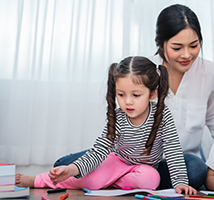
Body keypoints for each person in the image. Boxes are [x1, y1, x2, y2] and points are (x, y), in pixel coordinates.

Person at [53, 4, 214, 189]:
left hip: (169, 162)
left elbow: (212, 116)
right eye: (177, 47)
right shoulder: (144, 71)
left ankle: (118, 179)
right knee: (62, 167)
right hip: (125, 156)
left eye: (194, 45)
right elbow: (114, 130)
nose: (186, 54)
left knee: (196, 170)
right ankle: (123, 178)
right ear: (160, 43)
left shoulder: (210, 71)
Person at [15, 56, 196, 195]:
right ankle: (39, 180)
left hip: (143, 168)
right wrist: (71, 169)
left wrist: (180, 182)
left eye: (136, 95)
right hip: (117, 161)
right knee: (92, 180)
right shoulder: (118, 118)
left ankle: (106, 180)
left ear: (152, 93)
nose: (128, 102)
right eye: (121, 94)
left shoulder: (162, 115)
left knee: (151, 180)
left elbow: (173, 150)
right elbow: (99, 150)